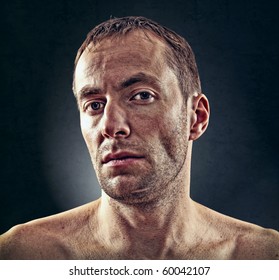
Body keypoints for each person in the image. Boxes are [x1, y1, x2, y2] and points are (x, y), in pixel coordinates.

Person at [0, 16, 278, 260]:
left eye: (142, 96)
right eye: (94, 105)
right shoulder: (22, 257)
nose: (110, 125)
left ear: (197, 117)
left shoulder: (261, 258)